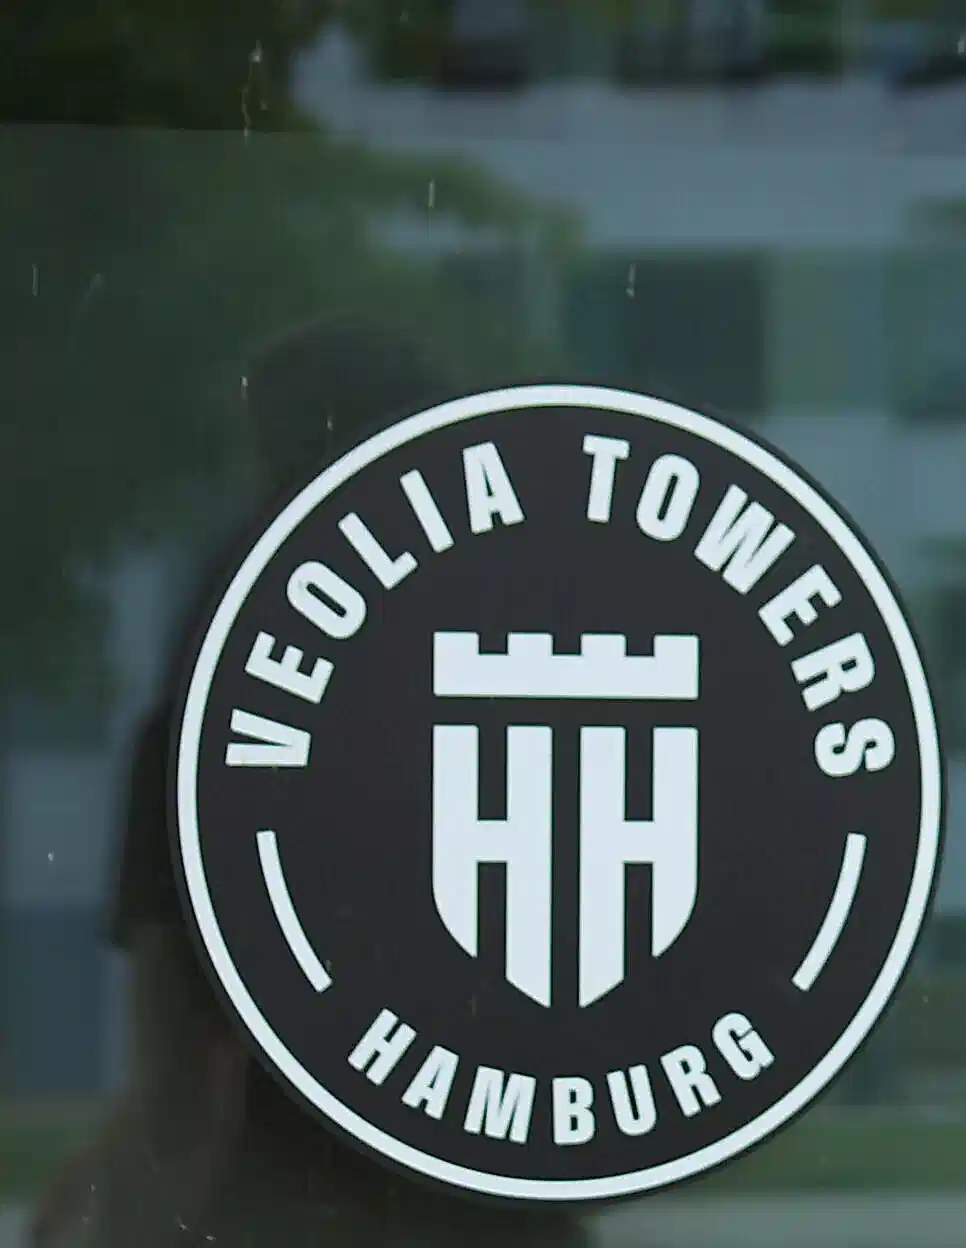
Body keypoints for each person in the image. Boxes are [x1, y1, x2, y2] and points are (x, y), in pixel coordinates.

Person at [31, 314, 592, 1248]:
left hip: (288, 1214)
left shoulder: (208, 729)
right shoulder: (518, 712)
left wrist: (108, 1217)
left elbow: (183, 1075)